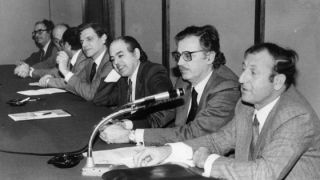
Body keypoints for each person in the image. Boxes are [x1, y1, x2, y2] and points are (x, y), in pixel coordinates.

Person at [133, 43, 320, 180]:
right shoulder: (247, 106)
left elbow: (265, 174)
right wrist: (167, 151)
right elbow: (218, 140)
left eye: (253, 73)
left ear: (278, 81)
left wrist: (208, 161)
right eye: (244, 69)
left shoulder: (296, 116)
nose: (242, 79)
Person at [99, 25, 240, 145]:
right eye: (178, 56)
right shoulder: (184, 82)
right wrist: (125, 125)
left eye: (188, 56)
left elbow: (195, 134)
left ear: (209, 56)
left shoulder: (226, 87)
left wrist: (130, 136)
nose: (179, 63)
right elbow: (162, 116)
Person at [94, 36, 175, 129]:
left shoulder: (153, 72)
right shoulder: (124, 78)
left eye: (120, 56)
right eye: (112, 59)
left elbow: (165, 110)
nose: (115, 62)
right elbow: (100, 99)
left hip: (155, 135)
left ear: (136, 54)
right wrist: (116, 70)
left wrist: (126, 124)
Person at [56, 23, 113, 101]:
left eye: (89, 39)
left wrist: (64, 70)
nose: (84, 45)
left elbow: (91, 94)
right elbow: (79, 84)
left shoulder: (111, 61)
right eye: (82, 41)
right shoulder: (90, 60)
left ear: (103, 38)